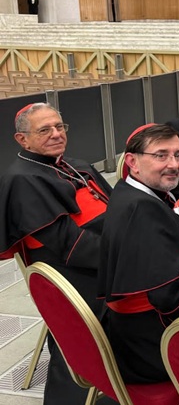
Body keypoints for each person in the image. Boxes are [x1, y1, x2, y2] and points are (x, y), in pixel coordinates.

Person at [0, 103, 112, 404]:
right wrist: (127, 254)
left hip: (99, 256)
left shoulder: (72, 164)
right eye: (44, 130)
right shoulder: (22, 180)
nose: (56, 134)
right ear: (22, 140)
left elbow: (116, 207)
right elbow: (70, 245)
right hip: (73, 276)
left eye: (59, 127)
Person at [99, 124, 179, 383]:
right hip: (154, 348)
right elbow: (171, 297)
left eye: (178, 155)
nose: (174, 164)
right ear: (133, 162)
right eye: (161, 155)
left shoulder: (128, 191)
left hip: (135, 333)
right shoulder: (141, 210)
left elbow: (170, 225)